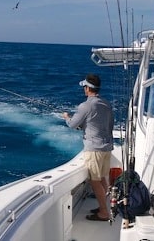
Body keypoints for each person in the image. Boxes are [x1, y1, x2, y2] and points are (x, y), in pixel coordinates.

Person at [63, 74, 114, 222]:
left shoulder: (85, 105)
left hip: (94, 149)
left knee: (95, 181)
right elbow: (108, 125)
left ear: (87, 88)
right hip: (106, 147)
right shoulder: (106, 103)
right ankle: (105, 207)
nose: (84, 89)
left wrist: (67, 117)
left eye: (84, 87)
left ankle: (104, 213)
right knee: (103, 179)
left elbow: (73, 124)